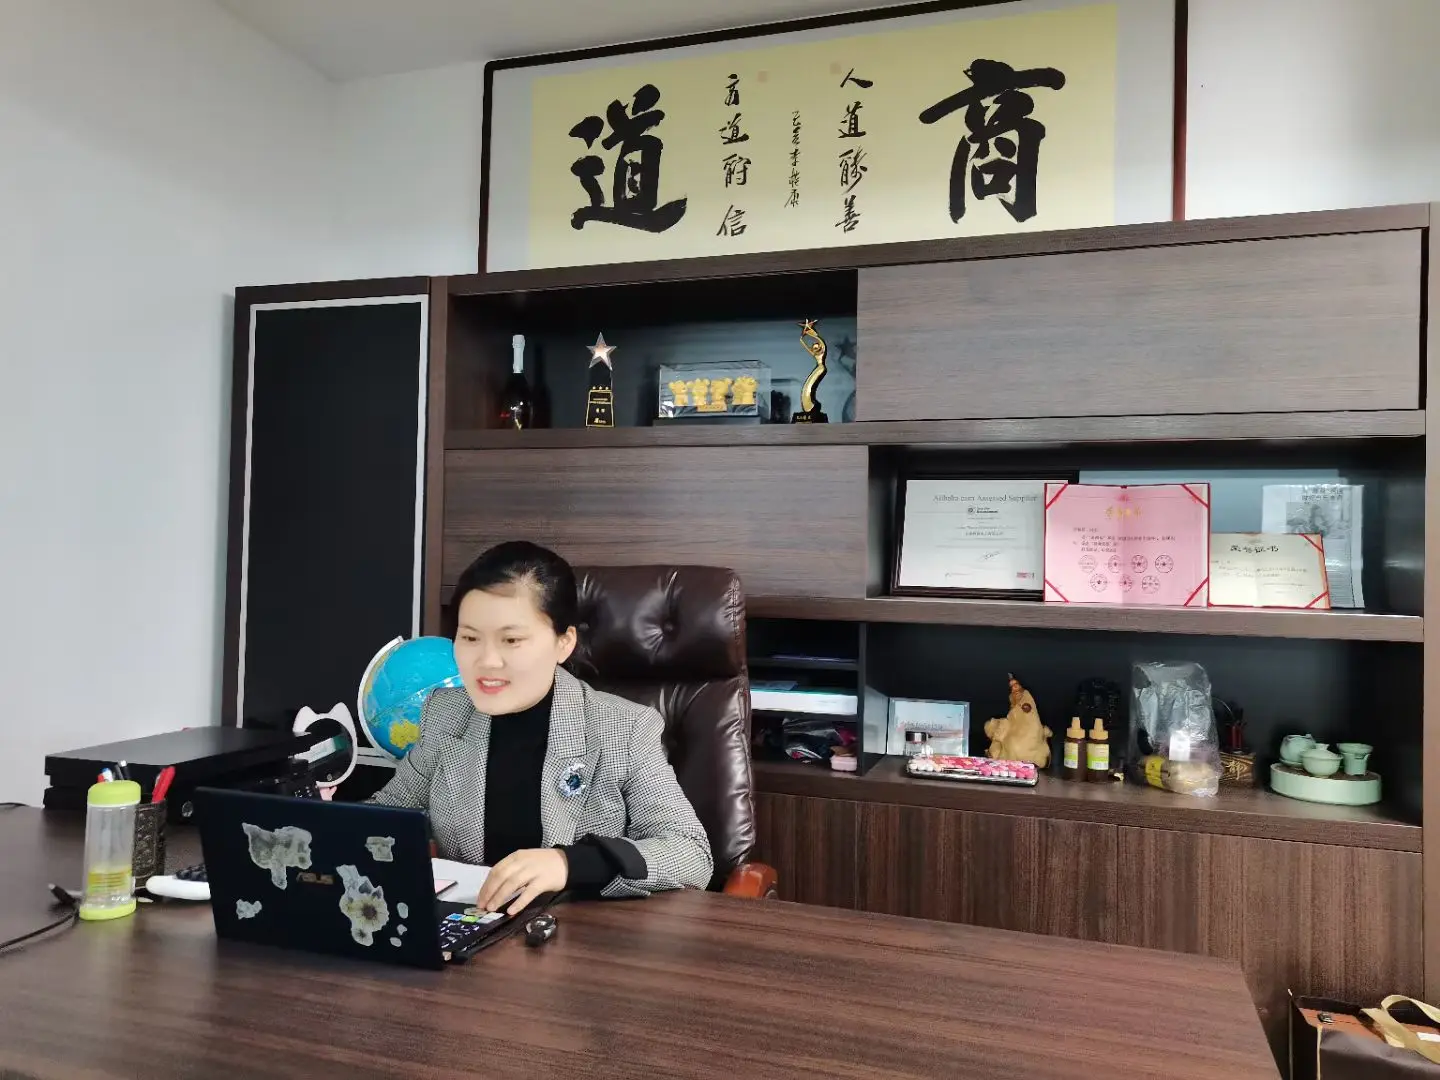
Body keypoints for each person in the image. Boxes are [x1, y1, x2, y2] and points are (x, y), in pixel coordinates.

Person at [369, 541, 713, 914]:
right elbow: (383, 817)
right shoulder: (446, 714)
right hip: (473, 926)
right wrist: (331, 819)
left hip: (579, 934)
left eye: (511, 640)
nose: (486, 661)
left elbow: (691, 852)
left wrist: (570, 863)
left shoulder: (624, 728)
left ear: (564, 643)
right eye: (469, 638)